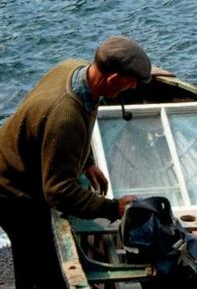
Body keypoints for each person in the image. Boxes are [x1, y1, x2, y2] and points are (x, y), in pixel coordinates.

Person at [0, 35, 152, 289]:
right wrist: (114, 209)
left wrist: (87, 161)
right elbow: (59, 191)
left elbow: (81, 118)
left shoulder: (74, 69)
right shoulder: (65, 116)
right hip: (11, 190)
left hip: (14, 158)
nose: (133, 88)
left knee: (29, 261)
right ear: (112, 79)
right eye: (129, 83)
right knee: (44, 270)